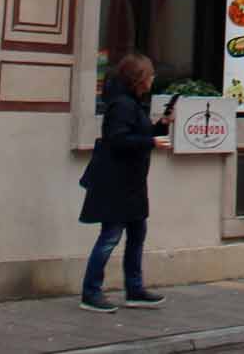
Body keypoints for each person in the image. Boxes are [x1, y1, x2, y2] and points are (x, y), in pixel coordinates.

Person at [78, 52, 172, 312]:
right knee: (110, 237)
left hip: (131, 183)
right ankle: (91, 293)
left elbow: (139, 135)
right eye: (150, 74)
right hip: (117, 184)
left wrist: (161, 125)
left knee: (136, 234)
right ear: (139, 78)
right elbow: (118, 140)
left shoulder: (131, 103)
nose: (153, 79)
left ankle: (135, 290)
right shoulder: (122, 104)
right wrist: (151, 141)